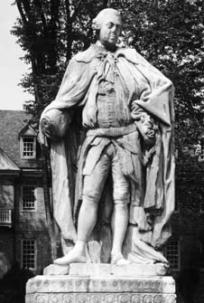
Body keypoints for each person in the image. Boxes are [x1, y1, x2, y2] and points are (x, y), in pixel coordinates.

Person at [39, 8, 175, 266]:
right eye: (110, 26)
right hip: (97, 139)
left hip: (127, 139)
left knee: (122, 198)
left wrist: (144, 110)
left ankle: (117, 254)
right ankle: (80, 248)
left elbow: (161, 87)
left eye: (119, 27)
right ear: (97, 27)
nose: (115, 31)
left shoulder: (130, 60)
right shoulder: (82, 61)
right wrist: (52, 117)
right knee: (89, 194)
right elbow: (66, 100)